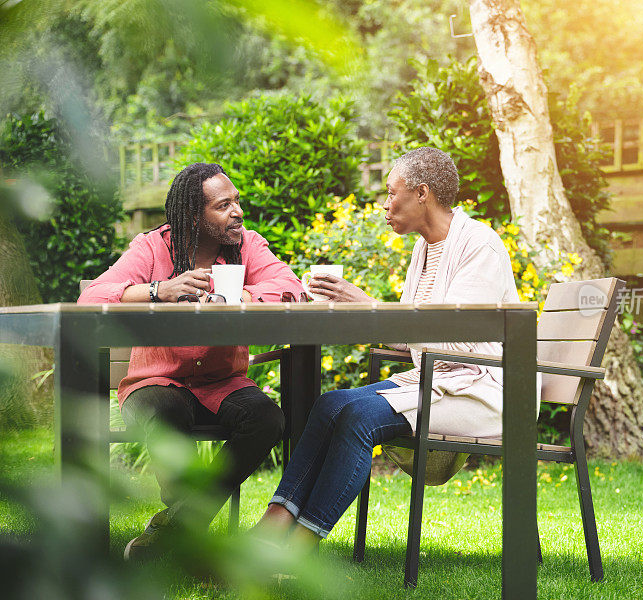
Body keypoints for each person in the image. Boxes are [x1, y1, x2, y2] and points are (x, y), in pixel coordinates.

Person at [254, 147, 519, 548]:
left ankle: (299, 546)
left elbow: (457, 340)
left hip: (481, 389)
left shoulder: (479, 246)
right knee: (329, 405)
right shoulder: (424, 249)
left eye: (392, 192)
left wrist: (372, 307)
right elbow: (412, 338)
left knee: (360, 417)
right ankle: (272, 527)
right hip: (436, 379)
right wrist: (357, 311)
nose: (385, 204)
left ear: (422, 193)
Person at [78, 162, 304, 560]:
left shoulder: (247, 245)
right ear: (192, 215)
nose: (237, 212)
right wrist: (158, 289)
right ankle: (191, 537)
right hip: (158, 382)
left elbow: (290, 287)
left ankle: (175, 532)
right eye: (222, 206)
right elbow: (93, 297)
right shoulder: (152, 246)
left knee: (267, 418)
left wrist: (239, 297)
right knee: (165, 414)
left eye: (237, 201)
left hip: (224, 382)